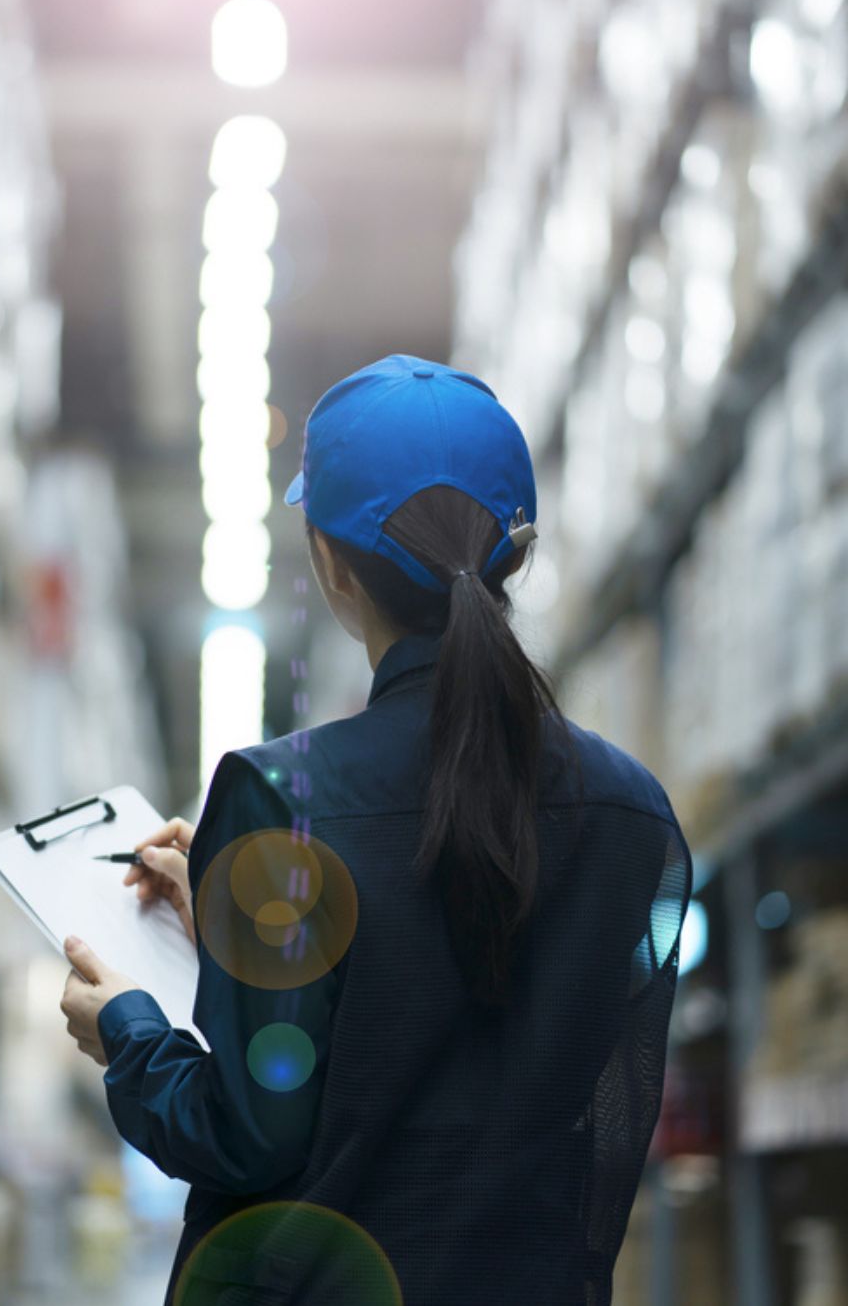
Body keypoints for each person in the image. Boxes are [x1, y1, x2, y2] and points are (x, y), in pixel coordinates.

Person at [59, 353, 692, 1306]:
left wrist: (131, 1032)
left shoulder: (281, 798)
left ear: (328, 562)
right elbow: (600, 1127)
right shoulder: (635, 818)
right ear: (513, 553)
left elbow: (246, 1134)